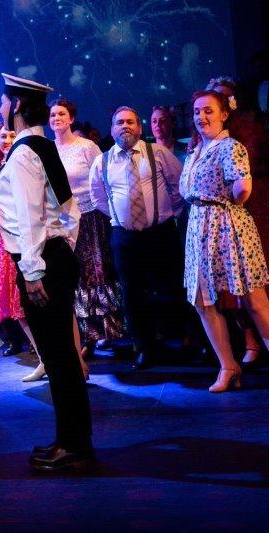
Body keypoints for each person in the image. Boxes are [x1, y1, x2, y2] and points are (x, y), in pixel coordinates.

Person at [0, 73, 93, 471]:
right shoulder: (42, 146)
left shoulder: (23, 153)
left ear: (17, 105)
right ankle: (71, 441)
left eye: (3, 102)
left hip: (42, 262)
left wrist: (34, 270)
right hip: (53, 256)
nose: (0, 108)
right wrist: (63, 245)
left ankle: (74, 447)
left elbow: (30, 217)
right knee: (61, 356)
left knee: (59, 357)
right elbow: (70, 209)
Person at [179, 90, 269, 392]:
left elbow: (243, 188)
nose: (201, 117)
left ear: (224, 114)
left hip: (228, 227)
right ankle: (228, 367)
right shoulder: (195, 150)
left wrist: (226, 204)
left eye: (208, 110)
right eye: (196, 112)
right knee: (202, 301)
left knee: (254, 300)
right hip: (198, 228)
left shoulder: (230, 146)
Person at [89, 105, 186, 370]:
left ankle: (182, 339)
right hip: (125, 238)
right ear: (112, 129)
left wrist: (169, 213)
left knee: (173, 287)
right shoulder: (103, 161)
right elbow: (97, 197)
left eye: (130, 122)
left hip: (160, 233)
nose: (125, 126)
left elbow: (179, 185)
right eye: (119, 122)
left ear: (139, 127)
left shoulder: (158, 153)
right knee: (132, 294)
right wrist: (121, 218)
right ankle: (144, 347)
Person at [50, 98, 125, 367]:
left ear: (71, 119)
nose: (56, 118)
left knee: (98, 271)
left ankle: (109, 332)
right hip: (64, 220)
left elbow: (104, 180)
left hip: (91, 216)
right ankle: (87, 336)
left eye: (61, 114)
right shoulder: (48, 150)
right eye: (53, 115)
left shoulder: (86, 147)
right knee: (77, 276)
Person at [0, 123, 39, 375]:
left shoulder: (17, 163)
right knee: (9, 295)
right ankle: (28, 345)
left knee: (24, 292)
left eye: (1, 136)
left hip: (21, 233)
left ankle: (42, 347)